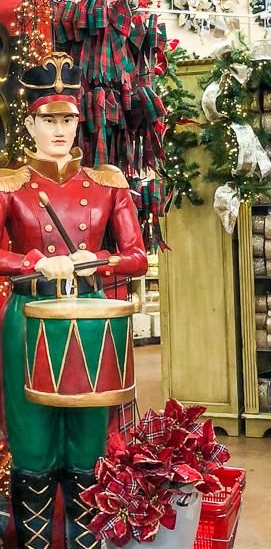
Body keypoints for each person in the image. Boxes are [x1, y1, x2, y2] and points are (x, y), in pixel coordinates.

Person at [0, 52, 147, 549]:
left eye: (67, 119)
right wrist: (33, 262)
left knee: (87, 444)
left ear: (78, 122)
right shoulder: (10, 186)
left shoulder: (107, 184)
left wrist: (96, 259)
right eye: (48, 119)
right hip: (29, 319)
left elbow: (137, 257)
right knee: (32, 440)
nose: (59, 129)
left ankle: (87, 542)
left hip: (90, 318)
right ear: (31, 122)